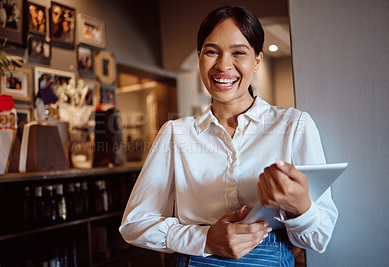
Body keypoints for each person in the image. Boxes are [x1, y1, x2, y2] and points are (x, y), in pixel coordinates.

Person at [119, 6, 338, 266]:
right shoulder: (175, 134)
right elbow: (134, 224)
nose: (223, 64)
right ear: (199, 57)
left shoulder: (294, 125)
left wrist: (300, 206)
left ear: (257, 61)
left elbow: (319, 238)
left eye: (238, 52)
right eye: (212, 52)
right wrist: (204, 239)